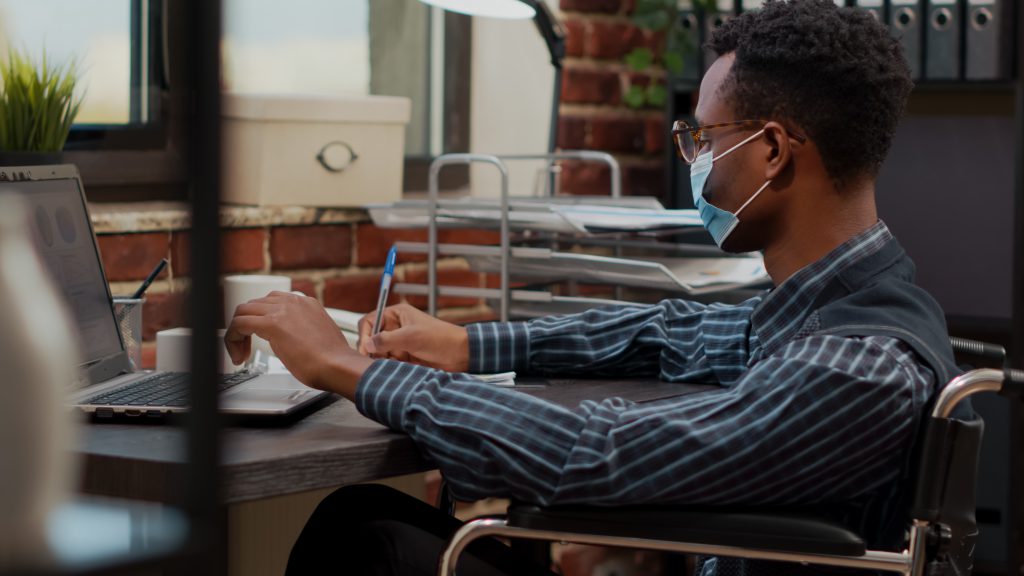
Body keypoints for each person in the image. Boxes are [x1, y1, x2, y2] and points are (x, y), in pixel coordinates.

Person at [225, 1, 962, 574]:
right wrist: (467, 344)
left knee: (368, 547)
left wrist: (350, 370)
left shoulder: (858, 368)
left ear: (770, 149)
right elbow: (668, 333)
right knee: (360, 518)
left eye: (703, 139)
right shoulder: (836, 306)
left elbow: (602, 451)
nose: (694, 158)